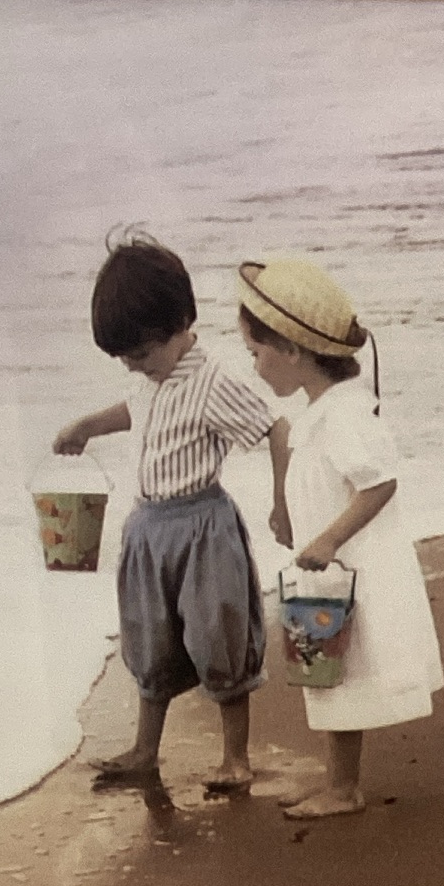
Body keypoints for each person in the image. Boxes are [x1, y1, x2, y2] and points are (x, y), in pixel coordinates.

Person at [54, 234, 291, 794]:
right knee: (148, 637)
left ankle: (235, 758)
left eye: (142, 354)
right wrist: (86, 427)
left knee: (219, 636)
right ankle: (145, 750)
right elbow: (133, 411)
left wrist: (283, 502)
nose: (134, 367)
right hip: (148, 529)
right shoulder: (154, 378)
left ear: (182, 323)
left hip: (202, 529)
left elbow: (276, 428)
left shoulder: (212, 382)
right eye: (125, 359)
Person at [237, 256, 444, 819]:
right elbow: (316, 474)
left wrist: (327, 540)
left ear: (291, 350)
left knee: (337, 674)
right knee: (327, 673)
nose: (254, 366)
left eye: (255, 353)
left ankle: (344, 789)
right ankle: (339, 781)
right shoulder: (325, 408)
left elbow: (379, 483)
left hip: (348, 568)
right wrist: (285, 511)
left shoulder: (345, 415)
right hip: (329, 570)